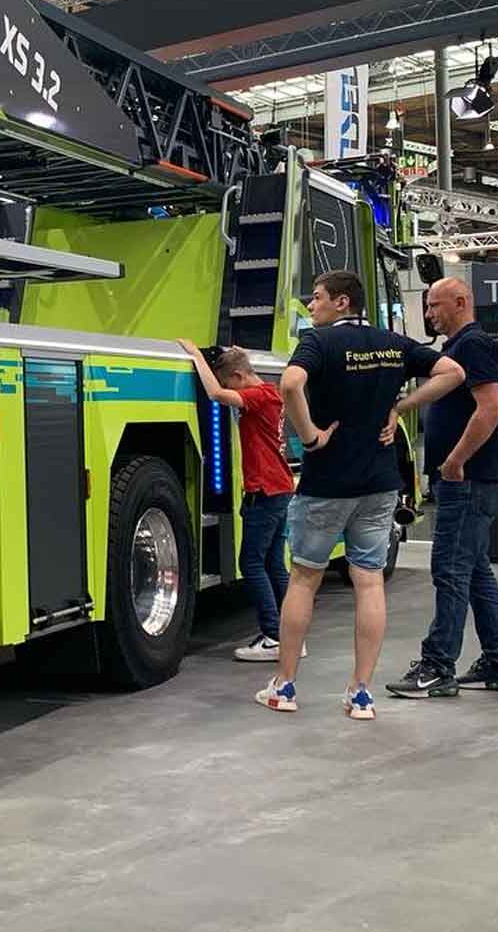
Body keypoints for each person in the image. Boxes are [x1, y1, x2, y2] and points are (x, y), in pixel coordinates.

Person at [257, 270, 464, 721]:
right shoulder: (393, 344)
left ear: (342, 302)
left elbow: (289, 385)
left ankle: (284, 686)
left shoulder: (318, 342)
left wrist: (309, 436)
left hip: (326, 484)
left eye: (317, 297)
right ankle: (361, 693)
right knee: (368, 581)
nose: (311, 306)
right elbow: (453, 372)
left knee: (303, 579)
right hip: (379, 484)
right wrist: (401, 407)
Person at [388, 278, 498, 699]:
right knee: (474, 570)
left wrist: (455, 460)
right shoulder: (457, 348)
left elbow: (491, 408)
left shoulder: (473, 345)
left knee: (449, 569)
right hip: (470, 481)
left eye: (434, 305)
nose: (429, 314)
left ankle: (438, 665)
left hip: (468, 480)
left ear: (460, 302)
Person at [181, 341, 295, 663]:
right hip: (279, 488)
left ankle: (273, 636)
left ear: (239, 376)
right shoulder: (271, 393)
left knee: (252, 564)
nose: (230, 389)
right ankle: (291, 635)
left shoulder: (258, 397)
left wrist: (196, 356)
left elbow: (216, 395)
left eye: (229, 381)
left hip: (265, 491)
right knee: (274, 564)